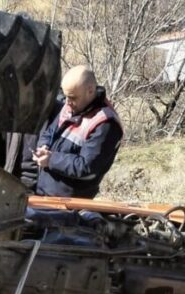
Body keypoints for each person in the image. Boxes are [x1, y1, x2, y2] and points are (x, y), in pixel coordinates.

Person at [32, 66, 124, 200]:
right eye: (66, 96)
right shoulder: (71, 105)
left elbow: (86, 167)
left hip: (71, 202)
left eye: (73, 97)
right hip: (44, 192)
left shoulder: (106, 123)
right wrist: (43, 146)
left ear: (90, 91)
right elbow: (49, 133)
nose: (67, 102)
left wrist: (51, 159)